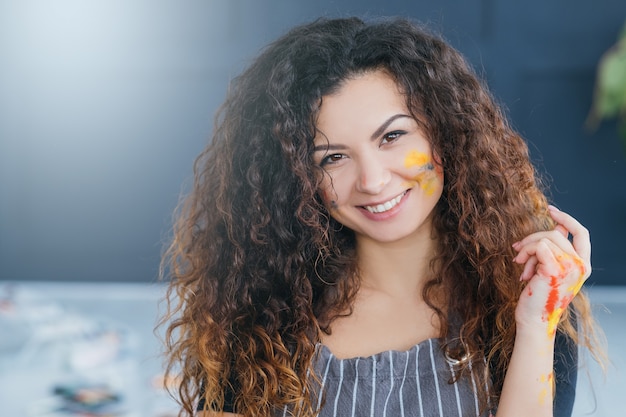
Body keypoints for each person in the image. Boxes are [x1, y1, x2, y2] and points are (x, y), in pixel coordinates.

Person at [159, 16, 605, 417]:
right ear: (296, 177)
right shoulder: (261, 310)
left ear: (445, 131)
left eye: (392, 136)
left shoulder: (528, 306)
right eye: (332, 158)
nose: (371, 181)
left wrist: (534, 325)